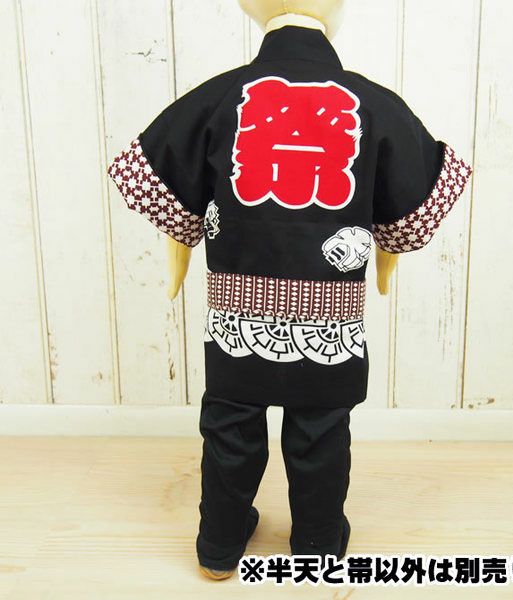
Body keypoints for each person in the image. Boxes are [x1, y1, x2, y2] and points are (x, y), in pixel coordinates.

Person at [107, 15, 472, 580]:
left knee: (230, 423)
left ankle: (218, 546)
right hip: (330, 319)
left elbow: (172, 194)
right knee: (321, 427)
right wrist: (385, 261)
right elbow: (407, 214)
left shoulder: (221, 95)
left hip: (237, 315)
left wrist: (180, 255)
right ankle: (318, 546)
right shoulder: (373, 103)